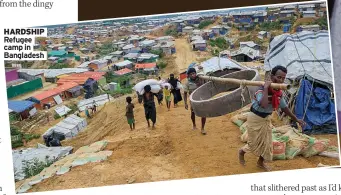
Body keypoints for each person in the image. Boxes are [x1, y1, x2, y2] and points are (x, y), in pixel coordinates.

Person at [238, 65, 306, 172]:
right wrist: (266, 88)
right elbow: (264, 104)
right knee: (253, 143)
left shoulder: (278, 93)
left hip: (266, 119)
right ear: (271, 76)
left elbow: (284, 108)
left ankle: (260, 163)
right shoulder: (260, 90)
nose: (281, 80)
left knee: (268, 143)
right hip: (255, 118)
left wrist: (296, 119)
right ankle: (242, 152)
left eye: (283, 78)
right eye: (278, 77)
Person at [183, 68, 207, 135]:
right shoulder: (187, 83)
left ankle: (202, 128)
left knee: (204, 113)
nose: (193, 75)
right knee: (193, 113)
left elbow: (206, 84)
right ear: (188, 75)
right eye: (191, 74)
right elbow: (185, 93)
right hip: (193, 101)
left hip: (201, 99)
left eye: (194, 73)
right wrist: (185, 103)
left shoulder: (200, 79)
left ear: (195, 73)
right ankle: (194, 124)